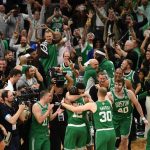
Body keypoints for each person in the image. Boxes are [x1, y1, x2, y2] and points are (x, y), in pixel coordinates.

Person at [107, 78, 148, 150]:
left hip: (126, 118)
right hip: (115, 118)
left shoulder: (129, 93)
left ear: (123, 86)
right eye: (116, 84)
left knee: (124, 140)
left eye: (119, 85)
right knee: (114, 139)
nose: (117, 86)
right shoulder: (110, 95)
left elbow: (137, 104)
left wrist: (143, 118)